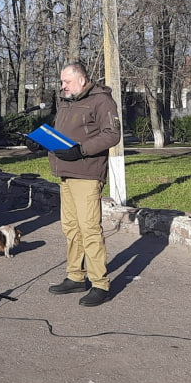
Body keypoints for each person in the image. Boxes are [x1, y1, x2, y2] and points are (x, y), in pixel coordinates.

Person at [47, 62, 121, 307]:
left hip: (87, 173)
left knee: (89, 229)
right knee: (71, 227)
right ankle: (76, 276)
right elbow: (62, 134)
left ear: (81, 79)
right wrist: (43, 142)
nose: (62, 86)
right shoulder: (67, 101)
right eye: (61, 82)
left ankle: (100, 283)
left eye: (66, 82)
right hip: (65, 172)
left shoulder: (101, 101)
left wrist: (82, 150)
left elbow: (112, 134)